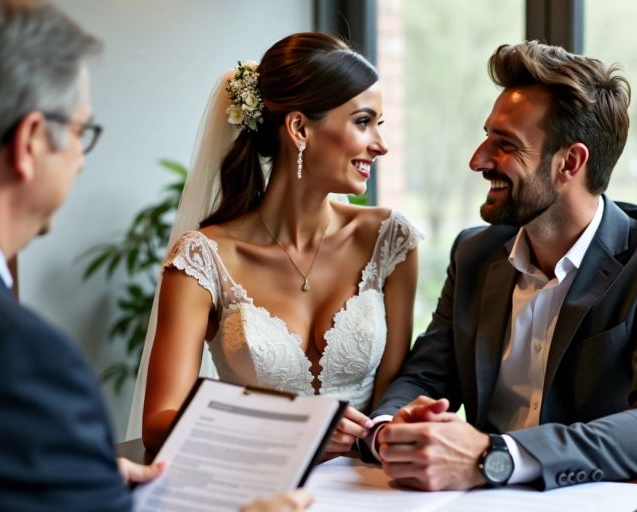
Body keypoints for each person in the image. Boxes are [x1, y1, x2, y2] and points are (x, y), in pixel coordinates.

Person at [0, 1, 310, 510]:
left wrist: (77, 479)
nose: (82, 163)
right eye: (81, 132)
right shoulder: (17, 356)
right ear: (30, 142)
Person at [367, 41, 637, 491]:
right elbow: (427, 373)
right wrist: (386, 431)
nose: (478, 159)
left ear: (569, 163)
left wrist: (496, 457)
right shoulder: (475, 253)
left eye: (505, 144)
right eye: (486, 135)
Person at [132, 32, 421, 458]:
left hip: (369, 489)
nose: (380, 144)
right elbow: (160, 421)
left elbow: (390, 403)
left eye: (380, 124)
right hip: (258, 491)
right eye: (363, 122)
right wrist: (295, 432)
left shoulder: (389, 239)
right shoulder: (202, 259)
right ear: (300, 128)